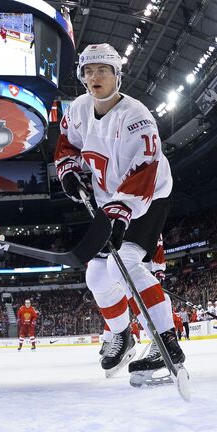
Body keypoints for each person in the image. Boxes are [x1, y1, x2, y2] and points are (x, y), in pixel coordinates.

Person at [55, 43, 185, 387]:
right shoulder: (79, 109)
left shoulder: (137, 117)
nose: (95, 77)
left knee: (122, 263)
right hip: (108, 200)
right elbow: (66, 143)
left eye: (103, 70)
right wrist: (68, 169)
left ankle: (166, 342)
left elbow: (143, 171)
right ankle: (122, 335)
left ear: (117, 76)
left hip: (148, 197)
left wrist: (119, 215)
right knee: (96, 276)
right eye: (89, 71)